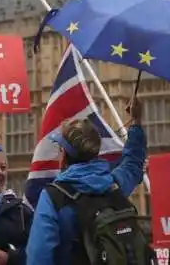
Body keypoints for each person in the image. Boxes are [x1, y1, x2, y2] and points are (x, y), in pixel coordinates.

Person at [25, 100, 147, 265]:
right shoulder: (114, 185)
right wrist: (136, 122)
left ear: (64, 154)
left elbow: (39, 257)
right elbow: (133, 163)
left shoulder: (53, 197)